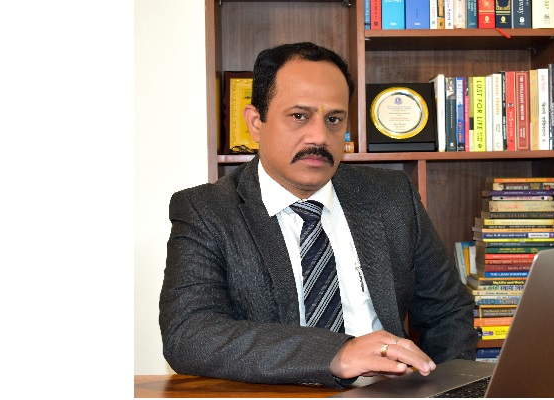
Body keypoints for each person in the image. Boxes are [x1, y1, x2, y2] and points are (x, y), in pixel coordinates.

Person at [159, 42, 479, 388]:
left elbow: (448, 311)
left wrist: (447, 389)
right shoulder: (206, 211)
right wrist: (336, 353)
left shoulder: (391, 196)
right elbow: (189, 333)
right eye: (299, 116)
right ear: (256, 123)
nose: (319, 137)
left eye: (334, 119)